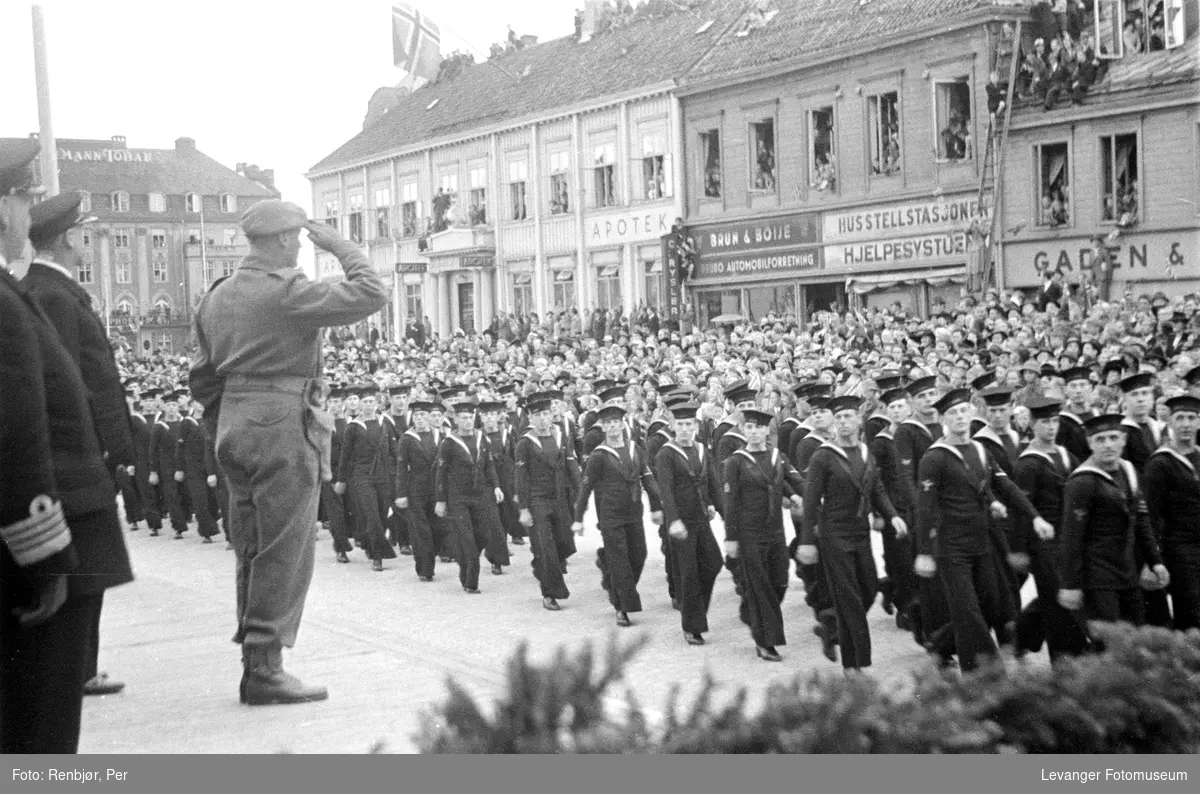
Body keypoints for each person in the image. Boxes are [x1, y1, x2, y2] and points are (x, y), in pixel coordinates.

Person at [190, 200, 387, 705]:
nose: (300, 246)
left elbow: (201, 378)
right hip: (281, 425)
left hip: (233, 424)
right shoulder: (288, 293)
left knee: (252, 545)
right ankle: (266, 667)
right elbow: (371, 291)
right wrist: (342, 246)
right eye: (297, 239)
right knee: (285, 548)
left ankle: (254, 663)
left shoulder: (216, 296)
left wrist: (231, 420)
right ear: (280, 241)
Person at [1, 138, 133, 752]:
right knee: (41, 734)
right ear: (4, 209)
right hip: (42, 525)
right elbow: (22, 424)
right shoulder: (19, 299)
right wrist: (46, 550)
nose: (27, 212)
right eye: (24, 197)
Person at [22, 191, 135, 696]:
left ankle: (82, 666)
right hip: (76, 462)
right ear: (68, 239)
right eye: (83, 234)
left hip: (83, 457)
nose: (88, 243)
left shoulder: (51, 291)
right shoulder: (52, 295)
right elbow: (69, 386)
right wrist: (104, 450)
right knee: (82, 570)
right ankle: (76, 668)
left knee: (89, 570)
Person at [914, 388, 1054, 672]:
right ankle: (983, 673)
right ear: (942, 419)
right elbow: (925, 509)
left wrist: (1035, 517)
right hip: (952, 547)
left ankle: (943, 649)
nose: (960, 417)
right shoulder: (935, 458)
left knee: (991, 605)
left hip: (982, 542)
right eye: (952, 413)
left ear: (972, 414)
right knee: (967, 611)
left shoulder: (981, 449)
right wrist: (924, 552)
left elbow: (1006, 487)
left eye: (964, 411)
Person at [799, 396, 906, 674]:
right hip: (834, 535)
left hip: (860, 532)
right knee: (849, 599)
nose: (844, 422)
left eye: (849, 416)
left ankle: (831, 627)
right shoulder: (823, 456)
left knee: (869, 588)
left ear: (859, 420)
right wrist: (807, 542)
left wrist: (893, 515)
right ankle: (854, 666)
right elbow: (810, 502)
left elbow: (877, 489)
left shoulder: (865, 452)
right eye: (839, 418)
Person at [1057, 414, 1169, 626]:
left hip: (1127, 570)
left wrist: (1155, 561)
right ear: (1089, 443)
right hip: (1097, 575)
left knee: (1134, 634)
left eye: (1113, 437)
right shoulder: (1081, 482)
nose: (1108, 445)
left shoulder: (1128, 471)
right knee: (1107, 641)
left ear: (1123, 439)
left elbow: (1141, 521)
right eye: (1100, 439)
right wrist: (1070, 584)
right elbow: (1070, 537)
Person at [725, 406, 805, 662]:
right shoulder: (736, 462)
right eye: (749, 427)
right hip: (750, 533)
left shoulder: (777, 456)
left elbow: (786, 480)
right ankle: (765, 642)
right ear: (743, 430)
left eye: (759, 427)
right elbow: (731, 502)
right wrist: (731, 538)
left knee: (780, 581)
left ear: (767, 430)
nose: (755, 432)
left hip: (776, 531)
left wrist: (795, 495)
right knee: (761, 587)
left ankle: (752, 611)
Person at [572, 404, 663, 627]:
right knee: (620, 559)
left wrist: (656, 505)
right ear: (602, 427)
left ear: (622, 424)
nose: (613, 426)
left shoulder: (635, 449)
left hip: (633, 511)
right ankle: (622, 606)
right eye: (608, 423)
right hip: (610, 513)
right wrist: (577, 518)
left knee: (639, 554)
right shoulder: (598, 455)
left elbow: (648, 478)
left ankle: (613, 580)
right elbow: (586, 486)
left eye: (616, 422)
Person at [656, 403, 724, 646]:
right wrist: (673, 520)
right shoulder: (666, 453)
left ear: (695, 426)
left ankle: (695, 611)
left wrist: (725, 514)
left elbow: (713, 484)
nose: (685, 429)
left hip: (701, 519)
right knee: (689, 574)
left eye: (689, 424)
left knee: (714, 562)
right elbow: (665, 491)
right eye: (680, 425)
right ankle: (692, 626)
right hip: (680, 523)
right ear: (674, 426)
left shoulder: (702, 449)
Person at [515, 396, 582, 611]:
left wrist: (581, 494)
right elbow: (520, 476)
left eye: (546, 414)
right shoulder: (525, 442)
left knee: (564, 542)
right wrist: (524, 508)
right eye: (538, 415)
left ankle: (540, 566)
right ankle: (550, 592)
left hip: (560, 498)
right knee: (545, 547)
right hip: (537, 501)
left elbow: (571, 465)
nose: (543, 419)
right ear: (531, 418)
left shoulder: (560, 436)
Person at [435, 402, 507, 592]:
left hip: (481, 494)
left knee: (484, 534)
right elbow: (441, 473)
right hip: (458, 497)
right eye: (463, 418)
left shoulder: (481, 438)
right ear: (456, 420)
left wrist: (496, 486)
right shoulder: (448, 443)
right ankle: (469, 580)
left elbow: (489, 464)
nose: (468, 421)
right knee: (466, 539)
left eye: (470, 417)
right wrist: (441, 500)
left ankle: (468, 562)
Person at [1142, 396, 1200, 632]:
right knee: (1191, 610)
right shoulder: (1160, 463)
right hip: (1180, 548)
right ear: (1170, 423)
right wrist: (1151, 560)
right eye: (1180, 418)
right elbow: (1151, 516)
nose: (1186, 424)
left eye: (1191, 418)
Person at [336, 387, 398, 571]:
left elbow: (394, 448)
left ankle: (371, 545)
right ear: (359, 405)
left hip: (384, 474)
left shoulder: (384, 422)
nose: (369, 405)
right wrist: (342, 479)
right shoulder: (353, 426)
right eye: (365, 402)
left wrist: (402, 466)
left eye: (372, 401)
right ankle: (377, 556)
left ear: (377, 403)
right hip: (362, 475)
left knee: (382, 513)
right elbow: (345, 456)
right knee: (371, 513)